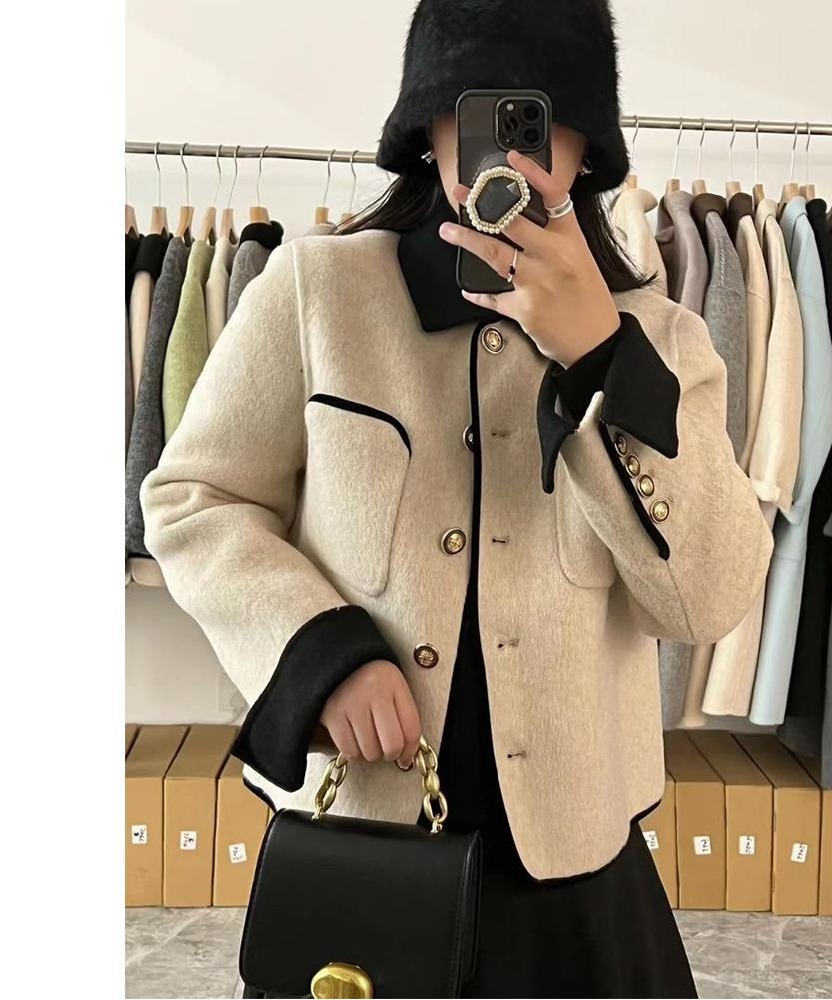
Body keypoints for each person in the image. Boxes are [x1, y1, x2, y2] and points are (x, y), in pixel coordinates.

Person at [140, 1, 773, 995]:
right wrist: (321, 653)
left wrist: (601, 360)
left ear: (584, 148)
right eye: (475, 112)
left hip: (573, 877)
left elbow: (707, 597)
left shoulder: (663, 340)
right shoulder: (316, 293)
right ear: (428, 131)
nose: (509, 152)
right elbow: (194, 499)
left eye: (539, 120)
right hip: (364, 846)